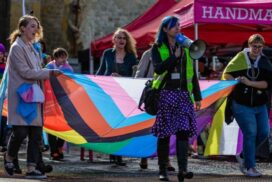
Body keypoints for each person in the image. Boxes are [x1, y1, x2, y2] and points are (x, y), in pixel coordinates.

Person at [3, 15, 62, 179]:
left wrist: (48, 70)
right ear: (22, 28)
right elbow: (26, 72)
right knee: (20, 132)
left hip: (34, 96)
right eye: (31, 26)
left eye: (36, 26)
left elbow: (37, 70)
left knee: (36, 134)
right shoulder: (17, 48)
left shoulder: (32, 47)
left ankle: (32, 167)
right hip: (22, 95)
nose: (35, 29)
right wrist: (49, 73)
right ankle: (9, 157)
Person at [150, 16, 202, 182]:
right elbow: (158, 69)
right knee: (164, 134)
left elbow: (192, 75)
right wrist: (174, 57)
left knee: (183, 133)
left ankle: (183, 170)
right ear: (165, 29)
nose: (178, 28)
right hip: (166, 94)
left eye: (179, 25)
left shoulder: (186, 47)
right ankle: (163, 170)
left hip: (184, 95)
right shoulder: (157, 47)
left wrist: (198, 96)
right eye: (174, 26)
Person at [222, 34, 272, 177]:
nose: (257, 49)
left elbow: (267, 84)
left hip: (260, 104)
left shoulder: (265, 62)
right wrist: (236, 80)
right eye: (254, 46)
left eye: (259, 46)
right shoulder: (239, 58)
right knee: (250, 133)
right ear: (249, 46)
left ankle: (244, 154)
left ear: (263, 47)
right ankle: (250, 167)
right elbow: (226, 75)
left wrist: (249, 83)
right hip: (241, 103)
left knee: (263, 133)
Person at [96, 27, 137, 166]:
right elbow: (101, 71)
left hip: (123, 95)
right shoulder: (107, 53)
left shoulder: (131, 56)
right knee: (111, 124)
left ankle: (119, 154)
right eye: (119, 38)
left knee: (122, 125)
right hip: (108, 94)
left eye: (124, 38)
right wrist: (93, 83)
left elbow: (134, 77)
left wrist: (121, 77)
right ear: (114, 40)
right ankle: (112, 154)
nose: (121, 40)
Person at [135, 48, 175, 172]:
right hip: (152, 96)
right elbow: (139, 74)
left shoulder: (176, 53)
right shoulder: (149, 53)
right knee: (147, 128)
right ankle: (144, 156)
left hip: (170, 95)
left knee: (166, 128)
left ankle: (165, 159)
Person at [46, 47, 73, 160]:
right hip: (51, 99)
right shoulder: (49, 67)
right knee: (51, 124)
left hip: (63, 99)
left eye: (65, 57)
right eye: (61, 57)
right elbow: (45, 77)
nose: (64, 59)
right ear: (56, 57)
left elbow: (72, 81)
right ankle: (54, 151)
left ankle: (59, 147)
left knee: (64, 123)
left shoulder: (68, 68)